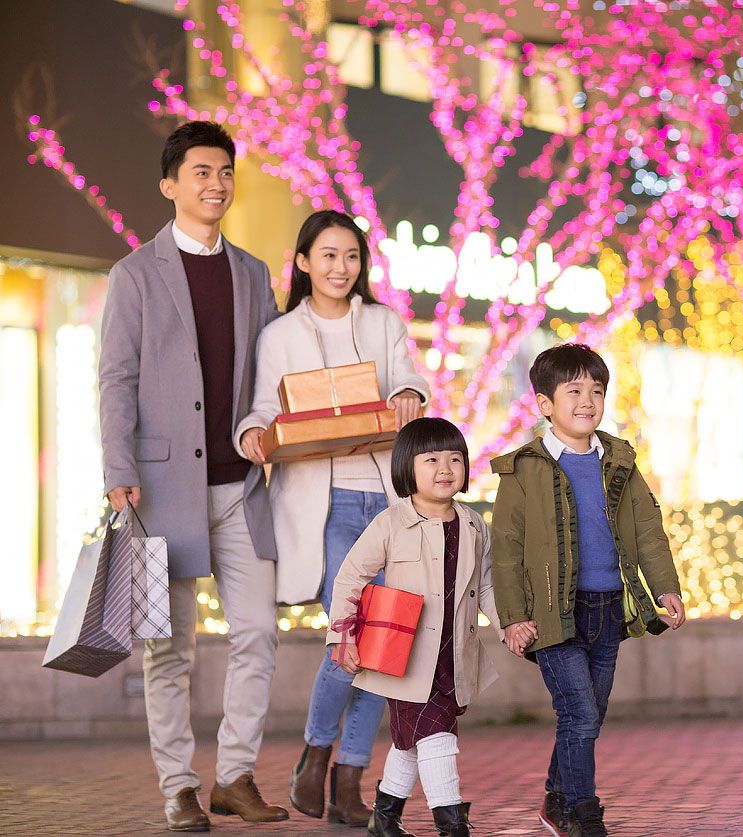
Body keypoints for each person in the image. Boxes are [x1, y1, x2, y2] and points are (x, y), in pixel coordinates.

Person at [98, 120, 287, 831]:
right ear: (170, 184)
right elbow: (114, 379)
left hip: (240, 485)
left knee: (257, 633)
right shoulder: (133, 274)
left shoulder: (251, 273)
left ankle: (234, 774)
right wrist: (118, 467)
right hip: (159, 487)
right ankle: (178, 785)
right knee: (167, 647)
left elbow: (269, 374)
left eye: (225, 172)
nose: (216, 183)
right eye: (201, 172)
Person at [234, 209, 430, 825]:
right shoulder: (280, 335)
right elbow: (262, 409)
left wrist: (410, 395)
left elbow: (410, 381)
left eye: (351, 257)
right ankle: (319, 759)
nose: (340, 268)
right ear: (302, 263)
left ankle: (345, 777)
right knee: (357, 634)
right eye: (327, 256)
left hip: (391, 505)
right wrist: (252, 435)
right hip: (328, 506)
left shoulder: (384, 322)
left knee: (385, 638)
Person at [489, 343, 686, 837]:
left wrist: (665, 588)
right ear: (544, 404)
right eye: (573, 390)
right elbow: (506, 549)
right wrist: (513, 617)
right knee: (578, 714)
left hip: (607, 610)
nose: (586, 401)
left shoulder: (619, 461)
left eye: (596, 391)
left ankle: (556, 799)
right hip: (555, 615)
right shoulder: (522, 470)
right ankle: (583, 815)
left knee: (589, 716)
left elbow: (648, 529)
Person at [327, 418, 515, 837]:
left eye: (454, 458)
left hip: (454, 658)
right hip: (406, 658)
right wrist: (343, 637)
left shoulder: (473, 525)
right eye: (431, 459)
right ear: (407, 468)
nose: (445, 468)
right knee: (437, 739)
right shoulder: (391, 524)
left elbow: (486, 585)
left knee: (412, 740)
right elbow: (350, 578)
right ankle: (451, 826)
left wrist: (508, 626)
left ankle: (384, 818)